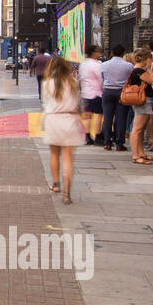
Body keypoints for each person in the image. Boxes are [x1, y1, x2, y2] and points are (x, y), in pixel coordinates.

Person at [41, 55, 81, 204]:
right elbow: (77, 103)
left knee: (54, 154)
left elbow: (45, 103)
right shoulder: (74, 83)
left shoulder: (46, 84)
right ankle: (66, 193)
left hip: (53, 120)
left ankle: (56, 184)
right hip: (69, 119)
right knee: (68, 158)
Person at [99, 45, 132, 151]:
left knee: (107, 117)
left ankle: (107, 142)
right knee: (121, 118)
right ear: (124, 53)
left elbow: (102, 78)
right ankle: (119, 143)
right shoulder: (128, 65)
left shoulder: (104, 65)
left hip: (108, 91)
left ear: (112, 53)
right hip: (122, 93)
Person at [127, 47, 153, 164]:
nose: (151, 61)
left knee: (141, 129)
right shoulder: (139, 71)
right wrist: (149, 69)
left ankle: (140, 152)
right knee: (137, 129)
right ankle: (136, 155)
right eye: (150, 59)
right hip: (143, 101)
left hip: (143, 101)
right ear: (146, 59)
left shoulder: (137, 70)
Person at [79, 45, 104, 145]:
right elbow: (100, 79)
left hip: (85, 92)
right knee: (98, 114)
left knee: (87, 115)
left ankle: (87, 136)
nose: (100, 54)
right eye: (98, 52)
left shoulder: (83, 64)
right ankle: (98, 136)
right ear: (93, 52)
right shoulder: (96, 65)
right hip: (96, 92)